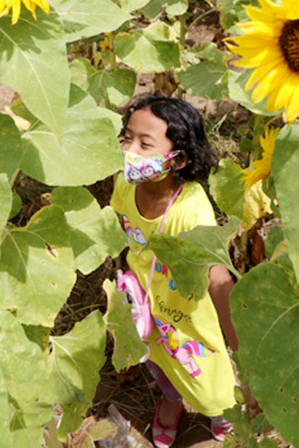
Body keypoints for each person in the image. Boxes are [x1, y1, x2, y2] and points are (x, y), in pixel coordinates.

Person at [110, 94, 238, 448]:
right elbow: (122, 232)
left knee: (208, 379)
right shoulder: (125, 184)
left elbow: (216, 277)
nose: (130, 151)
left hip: (186, 314)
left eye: (145, 144)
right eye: (127, 137)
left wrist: (242, 349)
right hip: (144, 302)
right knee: (158, 362)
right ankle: (170, 398)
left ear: (178, 158)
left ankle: (221, 413)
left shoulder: (191, 209)